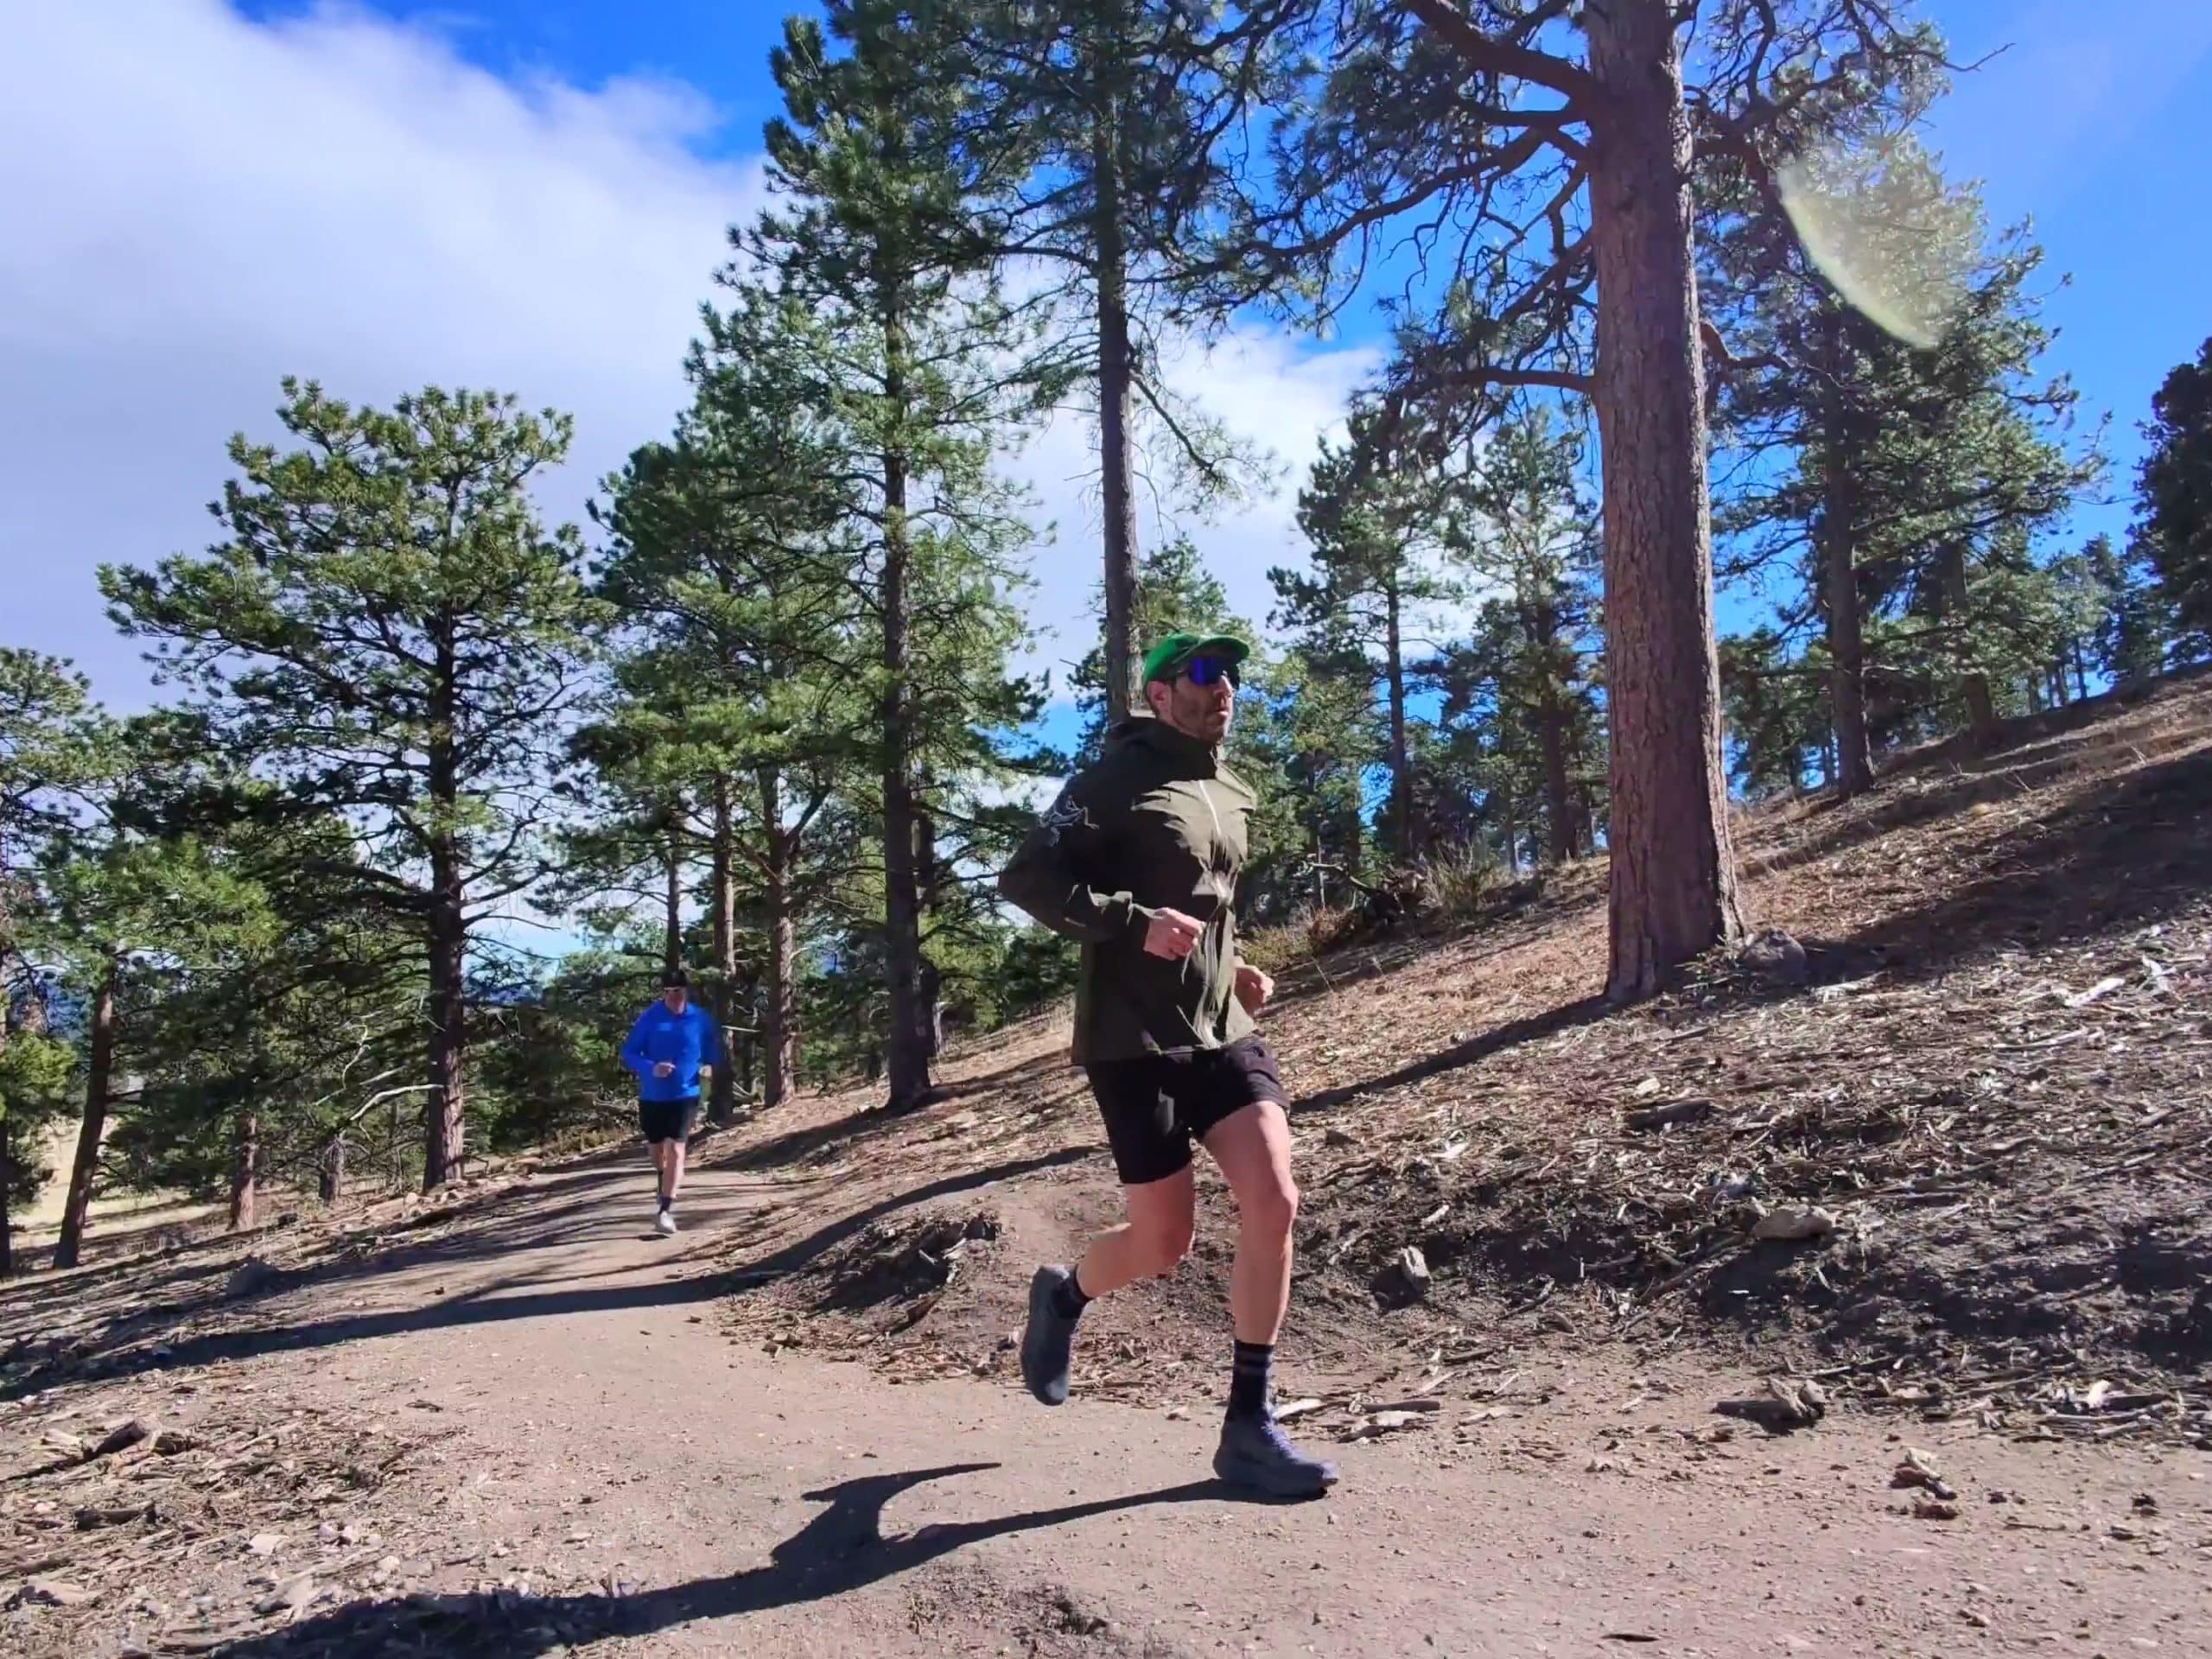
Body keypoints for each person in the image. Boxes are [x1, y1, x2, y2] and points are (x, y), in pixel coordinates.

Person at [997, 629, 1338, 1498]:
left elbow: (1205, 907)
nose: (1219, 683)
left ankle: (1247, 1428)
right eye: (1197, 672)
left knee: (1274, 1198)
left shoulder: (1230, 790)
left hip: (1220, 1027)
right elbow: (1025, 876)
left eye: (1226, 672)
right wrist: (1126, 921)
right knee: (1162, 1244)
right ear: (1158, 695)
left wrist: (1235, 962)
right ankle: (1064, 1295)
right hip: (1131, 1039)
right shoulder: (1111, 782)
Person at [620, 966, 716, 1236]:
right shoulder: (650, 1018)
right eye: (668, 991)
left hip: (686, 1094)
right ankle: (662, 1178)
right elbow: (629, 1052)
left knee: (676, 1148)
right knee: (657, 1149)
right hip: (653, 1095)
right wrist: (652, 1067)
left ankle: (665, 1210)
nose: (673, 996)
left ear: (687, 991)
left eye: (678, 991)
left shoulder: (700, 1018)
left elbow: (711, 1045)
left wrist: (710, 1065)